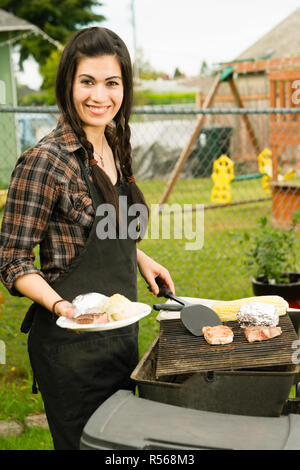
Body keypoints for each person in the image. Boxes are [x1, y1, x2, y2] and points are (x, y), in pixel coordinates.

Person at [0, 27, 174, 450]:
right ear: (68, 85)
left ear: (124, 88)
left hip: (120, 339)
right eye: (87, 82)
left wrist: (138, 257)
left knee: (125, 450)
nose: (100, 96)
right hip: (71, 349)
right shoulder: (44, 161)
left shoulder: (115, 143)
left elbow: (100, 226)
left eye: (112, 83)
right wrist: (63, 306)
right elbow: (12, 258)